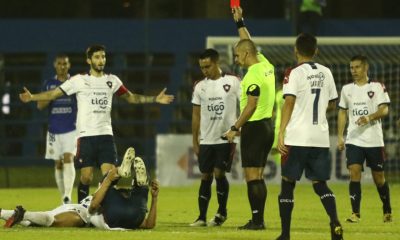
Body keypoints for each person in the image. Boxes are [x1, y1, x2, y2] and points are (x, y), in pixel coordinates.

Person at [19, 45, 174, 203]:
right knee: (86, 177)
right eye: (97, 57)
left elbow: (131, 97)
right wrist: (32, 97)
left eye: (103, 57)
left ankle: (103, 209)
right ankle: (82, 211)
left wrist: (155, 99)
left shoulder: (112, 80)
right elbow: (53, 94)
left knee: (109, 177)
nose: (101, 60)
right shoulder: (79, 80)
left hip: (106, 135)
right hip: (86, 136)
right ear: (89, 60)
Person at [276, 33, 343, 240]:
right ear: (316, 51)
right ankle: (335, 223)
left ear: (296, 50)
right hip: (320, 137)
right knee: (320, 184)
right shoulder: (327, 72)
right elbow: (332, 102)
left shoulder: (293, 73)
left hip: (296, 137)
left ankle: (285, 235)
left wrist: (281, 131)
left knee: (288, 183)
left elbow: (289, 102)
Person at [1, 148, 159, 230]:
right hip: (90, 209)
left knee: (46, 220)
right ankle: (128, 177)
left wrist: (155, 198)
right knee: (43, 220)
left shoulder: (83, 213)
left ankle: (123, 175)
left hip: (91, 214)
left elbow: (93, 207)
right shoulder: (81, 217)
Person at [224, 7, 275, 230]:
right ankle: (258, 219)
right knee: (258, 175)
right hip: (267, 127)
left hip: (254, 128)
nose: (236, 59)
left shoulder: (253, 74)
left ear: (245, 54)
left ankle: (257, 221)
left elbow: (251, 106)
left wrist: (235, 127)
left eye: (237, 55)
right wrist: (239, 22)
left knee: (251, 176)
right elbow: (249, 42)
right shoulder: (266, 65)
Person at [337, 55, 392, 223]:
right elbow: (342, 112)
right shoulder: (347, 89)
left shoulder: (376, 86)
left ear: (366, 68)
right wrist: (340, 135)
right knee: (354, 171)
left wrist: (369, 118)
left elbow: (384, 110)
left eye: (357, 67)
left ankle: (387, 209)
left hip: (374, 140)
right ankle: (355, 213)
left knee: (379, 178)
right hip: (354, 139)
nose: (354, 70)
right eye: (351, 67)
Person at [189, 49, 241, 227]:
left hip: (225, 138)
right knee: (205, 176)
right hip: (206, 140)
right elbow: (196, 115)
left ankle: (221, 213)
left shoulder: (233, 81)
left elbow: (246, 105)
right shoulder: (199, 86)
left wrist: (238, 127)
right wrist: (195, 140)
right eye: (202, 67)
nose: (204, 70)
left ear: (216, 63)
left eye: (207, 66)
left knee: (219, 173)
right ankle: (201, 217)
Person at [37, 54, 77, 204]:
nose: (62, 66)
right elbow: (40, 106)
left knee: (68, 158)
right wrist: (52, 95)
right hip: (54, 130)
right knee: (58, 163)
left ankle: (68, 195)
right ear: (55, 65)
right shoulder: (49, 84)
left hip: (71, 129)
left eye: (65, 64)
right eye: (59, 63)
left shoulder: (74, 83)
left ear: (69, 65)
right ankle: (63, 197)